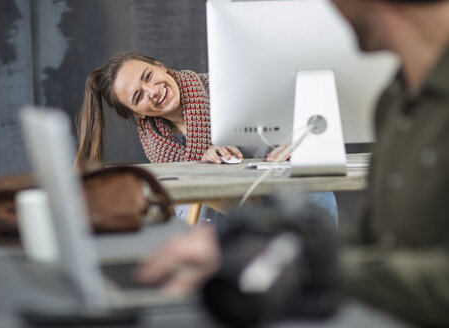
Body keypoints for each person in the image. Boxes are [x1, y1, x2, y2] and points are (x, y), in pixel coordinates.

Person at [136, 0, 449, 326]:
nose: (332, 10)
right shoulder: (395, 102)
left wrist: (313, 262)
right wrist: (256, 249)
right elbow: (379, 242)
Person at [74, 52, 338, 225]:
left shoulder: (227, 89)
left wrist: (299, 140)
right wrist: (204, 168)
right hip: (239, 230)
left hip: (293, 204)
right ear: (138, 115)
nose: (152, 91)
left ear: (161, 67)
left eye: (148, 77)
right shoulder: (160, 151)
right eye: (138, 96)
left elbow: (307, 120)